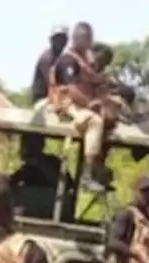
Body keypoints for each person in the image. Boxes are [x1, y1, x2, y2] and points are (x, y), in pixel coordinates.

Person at [46, 22, 109, 191]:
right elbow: (72, 90)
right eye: (88, 39)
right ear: (81, 39)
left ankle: (99, 167)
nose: (90, 44)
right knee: (94, 121)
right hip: (66, 105)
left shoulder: (84, 61)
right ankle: (87, 176)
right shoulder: (68, 60)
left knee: (108, 117)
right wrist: (90, 104)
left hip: (79, 104)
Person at [22, 25, 71, 161]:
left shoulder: (62, 59)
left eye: (63, 38)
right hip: (42, 100)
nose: (60, 42)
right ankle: (30, 150)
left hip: (54, 99)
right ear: (51, 40)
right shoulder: (47, 58)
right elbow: (52, 85)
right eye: (57, 38)